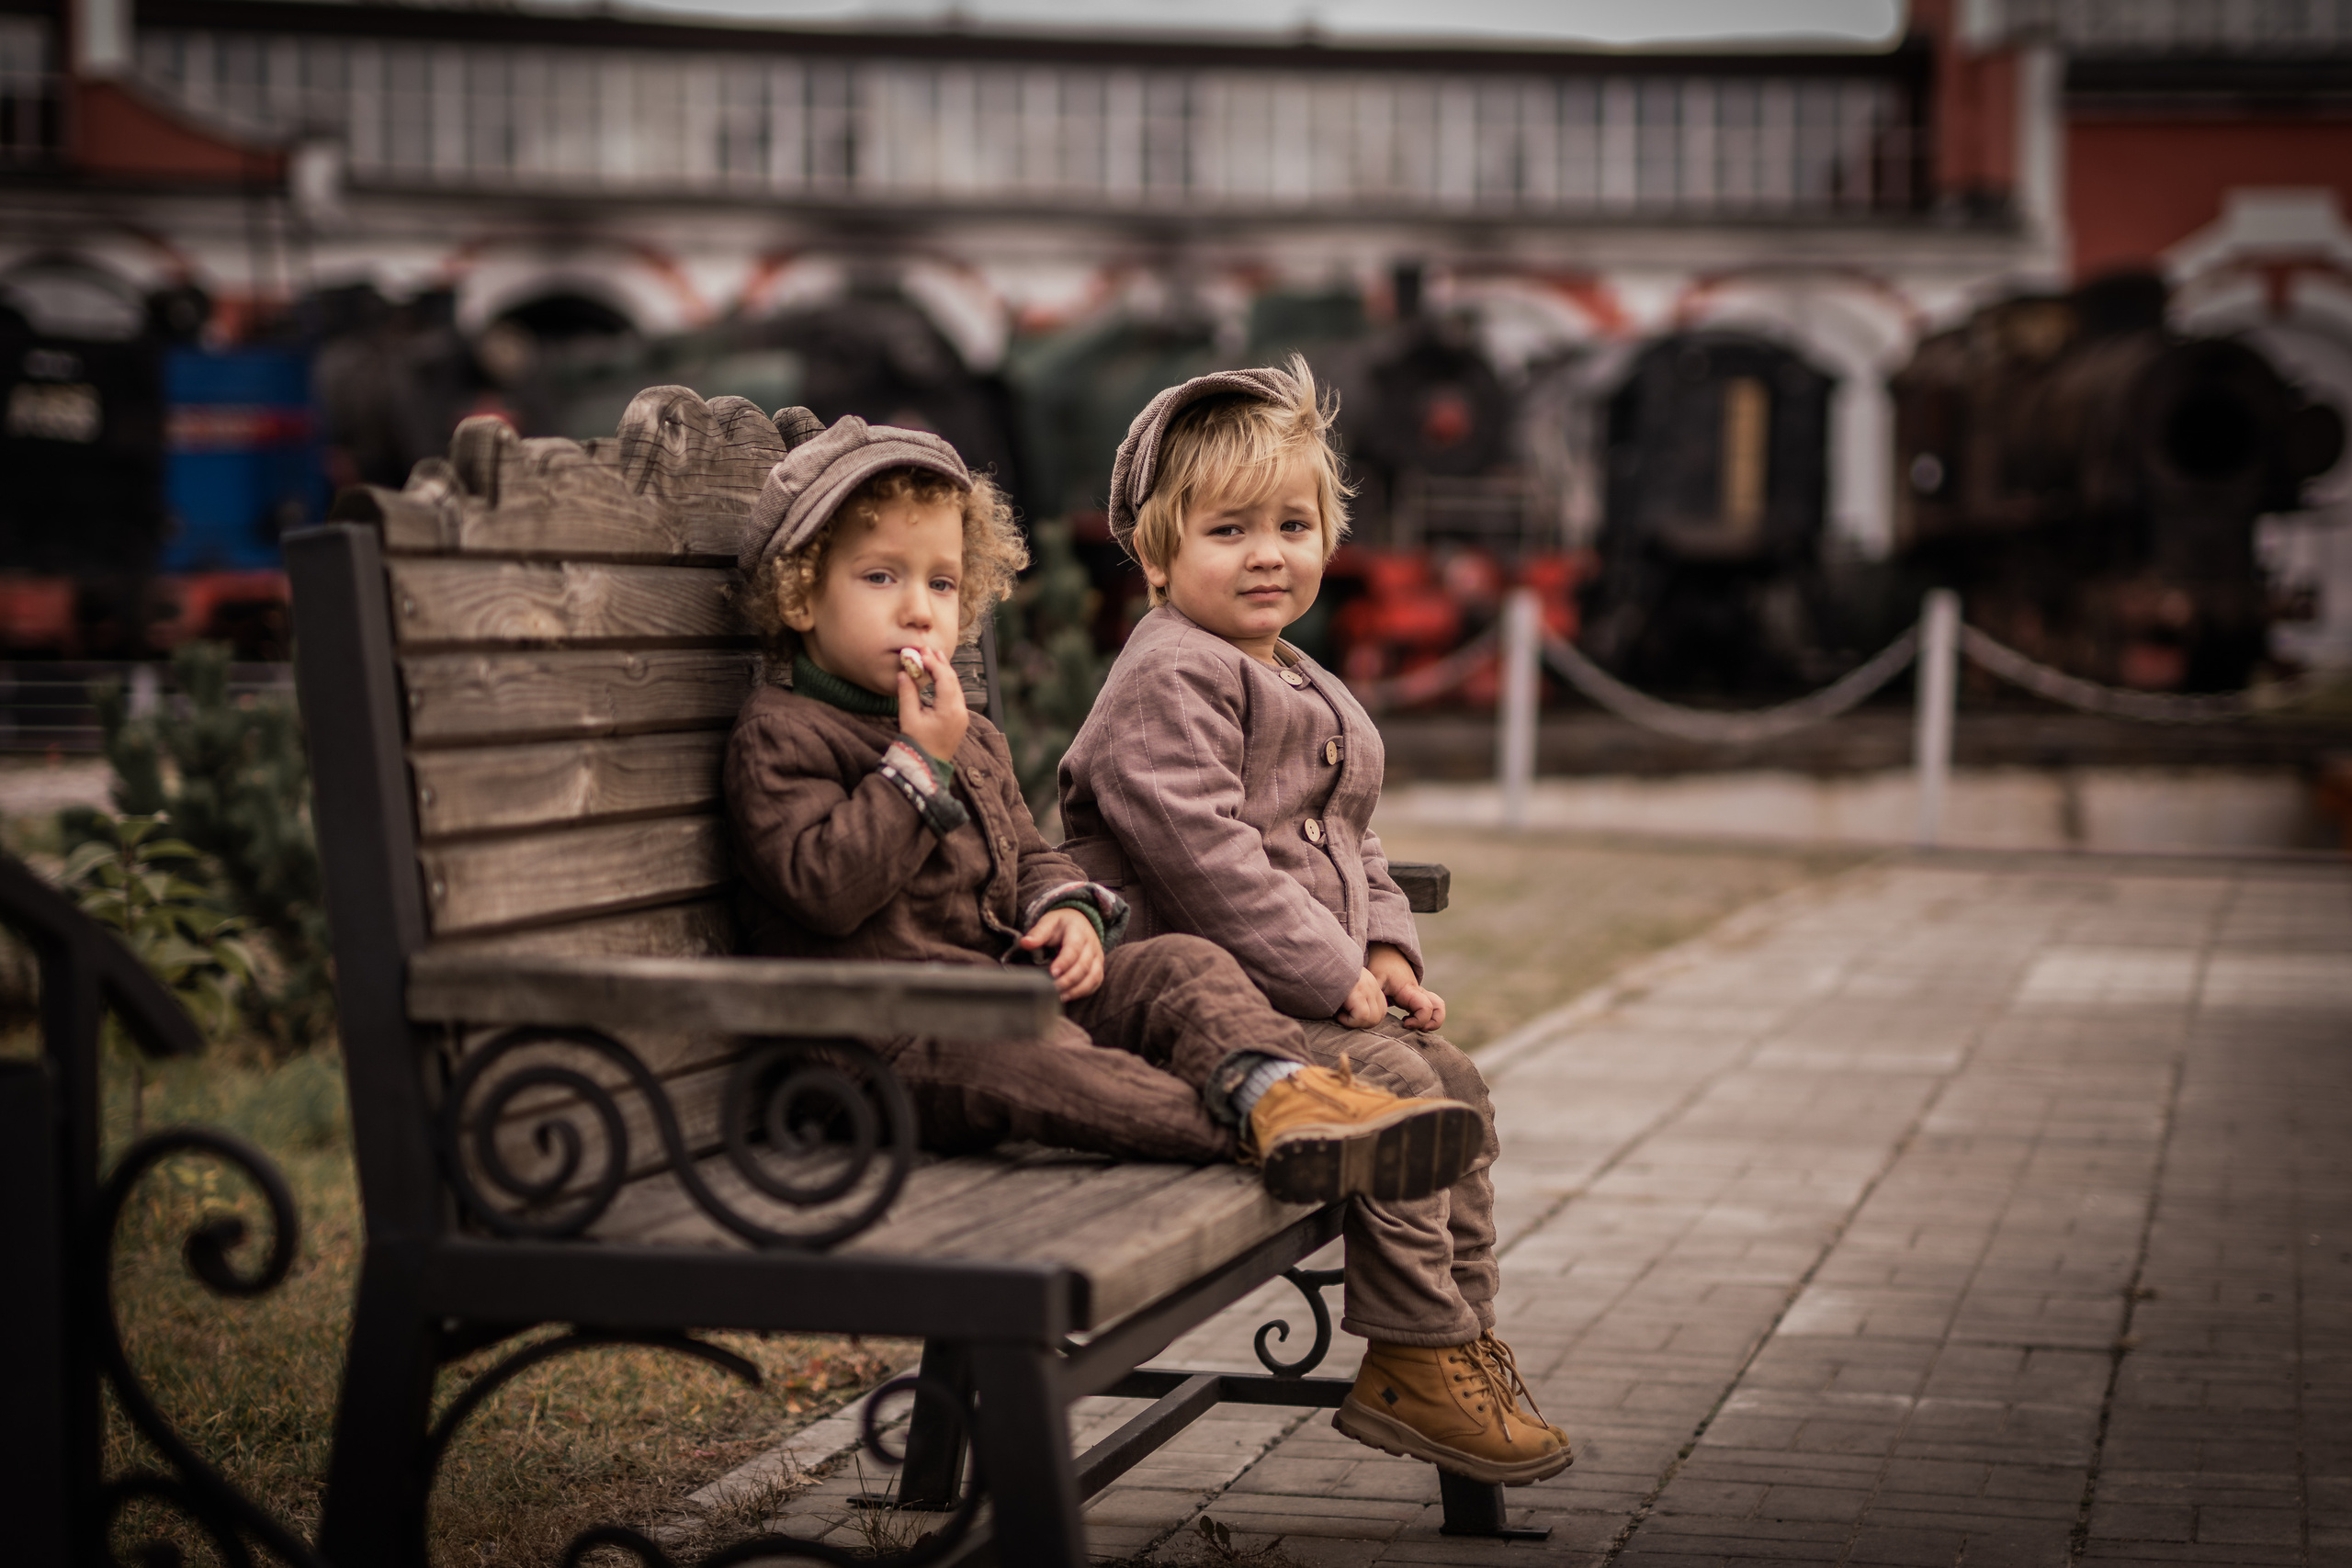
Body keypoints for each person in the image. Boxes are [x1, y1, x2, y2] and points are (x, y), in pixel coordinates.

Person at [724, 407, 1483, 1213]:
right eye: (882, 577)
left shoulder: (966, 734)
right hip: (880, 1043)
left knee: (1181, 967)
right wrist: (917, 763)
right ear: (801, 596)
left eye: (941, 583)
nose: (920, 609)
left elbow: (1030, 855)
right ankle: (1268, 1130)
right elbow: (825, 887)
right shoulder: (784, 734)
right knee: (1037, 1057)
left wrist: (1069, 910)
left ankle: (1280, 1090)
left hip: (999, 990)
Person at [1056, 360, 1571, 1486]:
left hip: (1293, 989)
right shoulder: (1167, 674)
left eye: (1292, 525)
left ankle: (1453, 1345)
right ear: (1154, 556)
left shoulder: (1293, 672)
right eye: (1228, 529)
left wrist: (1386, 947)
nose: (1267, 553)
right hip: (1185, 1014)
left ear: (1329, 541)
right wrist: (1338, 975)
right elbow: (1204, 862)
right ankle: (1418, 1349)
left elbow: (1351, 836)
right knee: (1397, 1086)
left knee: (1454, 1080)